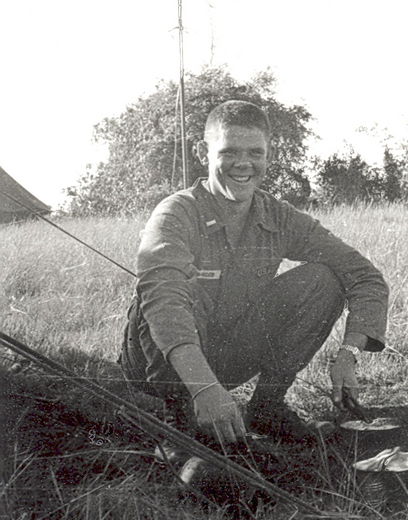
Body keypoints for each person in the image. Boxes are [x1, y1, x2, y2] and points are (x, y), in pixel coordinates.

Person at [120, 100, 388, 448]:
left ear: (268, 155)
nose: (243, 164)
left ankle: (266, 408)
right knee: (172, 295)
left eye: (255, 152)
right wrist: (204, 389)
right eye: (229, 151)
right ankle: (179, 417)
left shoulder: (278, 216)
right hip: (159, 369)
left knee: (324, 280)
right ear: (203, 152)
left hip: (224, 355)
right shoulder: (176, 212)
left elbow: (364, 275)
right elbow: (164, 307)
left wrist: (348, 355)